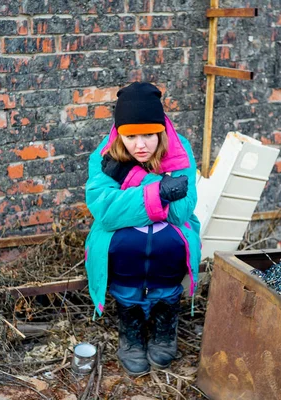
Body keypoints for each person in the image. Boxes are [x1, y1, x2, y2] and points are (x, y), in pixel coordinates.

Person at [84, 82, 202, 376]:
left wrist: (133, 178)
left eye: (148, 134)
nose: (140, 145)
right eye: (131, 136)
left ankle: (165, 323)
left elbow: (180, 211)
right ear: (119, 133)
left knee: (168, 240)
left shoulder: (180, 150)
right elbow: (106, 211)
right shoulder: (104, 155)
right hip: (124, 247)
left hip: (168, 244)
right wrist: (159, 188)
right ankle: (131, 328)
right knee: (125, 241)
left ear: (160, 131)